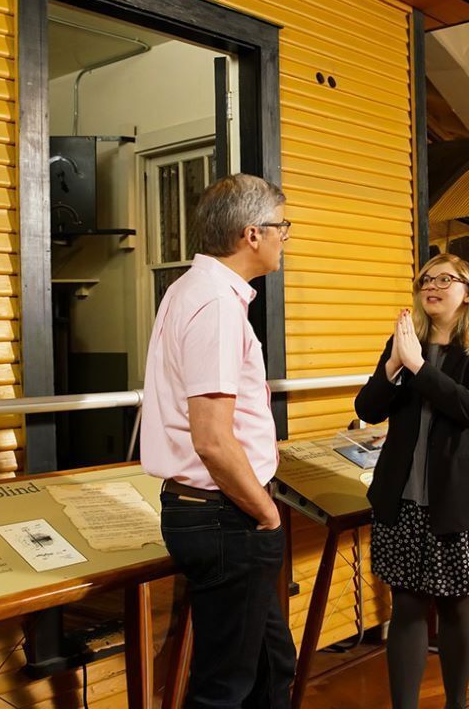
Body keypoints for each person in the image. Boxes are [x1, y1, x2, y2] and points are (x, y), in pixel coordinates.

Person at [140, 173, 295, 708]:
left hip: (221, 511)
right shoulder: (215, 304)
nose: (285, 238)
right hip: (226, 513)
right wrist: (266, 514)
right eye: (281, 227)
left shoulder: (195, 290)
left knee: (271, 666)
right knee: (224, 688)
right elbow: (211, 439)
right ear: (252, 234)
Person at [354, 254, 469, 709]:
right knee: (406, 605)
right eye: (426, 279)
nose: (432, 285)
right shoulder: (404, 344)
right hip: (403, 497)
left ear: (467, 292)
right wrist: (393, 366)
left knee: (455, 604)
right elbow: (368, 409)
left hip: (459, 498)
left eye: (445, 278)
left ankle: (456, 703)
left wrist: (419, 368)